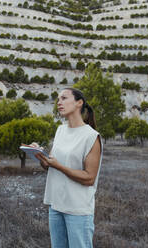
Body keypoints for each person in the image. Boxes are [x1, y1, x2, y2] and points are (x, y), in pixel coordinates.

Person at [33, 88, 103, 248]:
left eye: (64, 98)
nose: (59, 102)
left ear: (79, 103)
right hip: (56, 205)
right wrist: (39, 156)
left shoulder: (91, 136)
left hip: (77, 210)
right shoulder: (60, 130)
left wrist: (59, 166)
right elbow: (50, 165)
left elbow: (89, 178)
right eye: (58, 99)